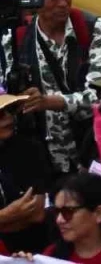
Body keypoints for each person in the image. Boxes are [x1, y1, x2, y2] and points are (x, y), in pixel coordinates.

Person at [0, 0, 101, 177]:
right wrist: (19, 99)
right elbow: (5, 96)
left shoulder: (92, 28)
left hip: (88, 153)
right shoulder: (15, 38)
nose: (63, 3)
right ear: (33, 0)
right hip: (38, 158)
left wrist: (48, 102)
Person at [0, 90, 52, 255]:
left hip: (30, 250)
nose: (8, 117)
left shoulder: (29, 148)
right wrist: (7, 215)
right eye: (0, 113)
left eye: (10, 110)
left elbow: (36, 214)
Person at [46, 172, 101, 263]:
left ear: (98, 213)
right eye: (56, 211)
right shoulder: (51, 256)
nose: (59, 220)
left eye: (68, 211)